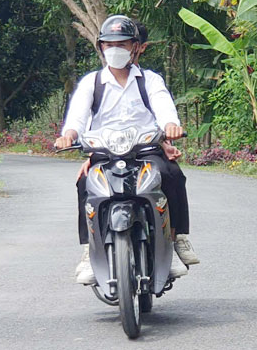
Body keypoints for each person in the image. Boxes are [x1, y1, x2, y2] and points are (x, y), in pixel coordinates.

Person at [54, 15, 199, 286]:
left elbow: (163, 106)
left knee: (171, 175)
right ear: (101, 48)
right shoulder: (91, 83)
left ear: (135, 46)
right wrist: (69, 135)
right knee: (85, 183)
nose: (115, 49)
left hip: (145, 149)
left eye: (122, 43)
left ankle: (177, 239)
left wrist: (171, 125)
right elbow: (77, 117)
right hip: (104, 151)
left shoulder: (149, 80)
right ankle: (88, 249)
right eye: (109, 44)